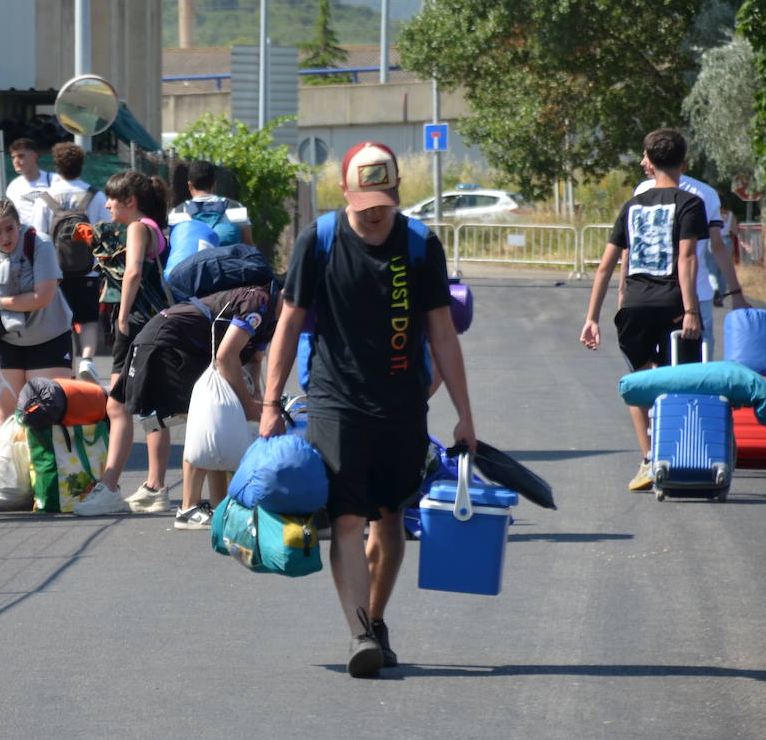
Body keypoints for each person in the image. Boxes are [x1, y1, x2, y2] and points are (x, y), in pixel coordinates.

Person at [259, 141, 475, 679]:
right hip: (335, 400)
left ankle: (375, 621)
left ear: (398, 192)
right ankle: (358, 633)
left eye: (383, 199)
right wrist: (269, 402)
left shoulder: (421, 244)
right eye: (364, 202)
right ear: (346, 194)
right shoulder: (321, 241)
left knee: (392, 520)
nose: (375, 211)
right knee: (349, 518)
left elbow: (442, 333)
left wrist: (465, 413)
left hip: (403, 401)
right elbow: (288, 323)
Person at [581, 128, 708, 492]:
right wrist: (691, 311)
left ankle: (649, 459)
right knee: (678, 381)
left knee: (639, 380)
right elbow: (686, 259)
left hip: (634, 306)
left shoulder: (631, 206)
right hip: (671, 305)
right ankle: (681, 455)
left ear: (648, 164)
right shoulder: (689, 203)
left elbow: (605, 266)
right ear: (684, 163)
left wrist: (591, 317)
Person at [108, 283, 279, 530]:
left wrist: (258, 399)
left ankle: (221, 507)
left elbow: (253, 360)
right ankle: (189, 508)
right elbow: (225, 356)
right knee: (206, 420)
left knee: (214, 423)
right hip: (167, 343)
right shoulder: (259, 304)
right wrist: (247, 405)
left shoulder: (271, 315)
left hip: (187, 346)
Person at [73, 171, 174, 516]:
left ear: (130, 201)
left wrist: (122, 314)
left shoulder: (136, 228)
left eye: (113, 200)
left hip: (136, 324)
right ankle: (153, 486)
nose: (109, 206)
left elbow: (131, 272)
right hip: (154, 324)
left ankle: (112, 486)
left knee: (119, 405)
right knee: (147, 406)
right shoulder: (154, 227)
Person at [0, 199, 75, 429]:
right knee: (6, 413)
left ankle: (45, 466)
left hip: (48, 336)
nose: (5, 237)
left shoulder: (39, 243)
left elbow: (42, 297)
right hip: (6, 339)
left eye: (10, 228)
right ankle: (3, 466)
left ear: (18, 224)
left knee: (44, 411)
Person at [630, 154, 749, 335]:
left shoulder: (644, 190)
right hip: (694, 293)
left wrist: (736, 293)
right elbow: (717, 246)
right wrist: (736, 293)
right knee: (697, 360)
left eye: (646, 156)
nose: (642, 162)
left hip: (656, 294)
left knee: (656, 361)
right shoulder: (705, 192)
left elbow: (631, 247)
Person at [34, 142, 111, 383]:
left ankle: (68, 362)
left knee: (61, 320)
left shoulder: (45, 199)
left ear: (56, 166)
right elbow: (104, 231)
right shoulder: (95, 196)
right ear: (81, 165)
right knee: (87, 318)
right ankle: (88, 359)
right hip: (87, 270)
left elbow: (39, 235)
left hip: (55, 273)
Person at [167, 159, 254, 246]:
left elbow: (173, 247)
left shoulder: (177, 213)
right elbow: (248, 245)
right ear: (214, 185)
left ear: (190, 186)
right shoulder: (235, 208)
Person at [5, 138, 57, 226]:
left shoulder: (54, 180)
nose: (16, 161)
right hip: (26, 237)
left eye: (21, 156)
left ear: (34, 156)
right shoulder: (13, 187)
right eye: (13, 157)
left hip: (52, 236)